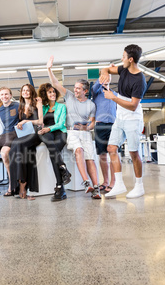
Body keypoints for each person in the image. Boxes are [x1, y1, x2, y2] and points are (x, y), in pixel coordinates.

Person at [47, 56, 101, 199]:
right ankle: (85, 182)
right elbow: (55, 83)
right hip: (71, 132)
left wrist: (87, 127)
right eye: (75, 88)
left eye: (78, 89)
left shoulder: (91, 105)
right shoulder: (69, 96)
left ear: (85, 91)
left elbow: (93, 123)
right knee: (79, 150)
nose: (75, 90)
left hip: (85, 133)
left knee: (90, 159)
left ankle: (96, 189)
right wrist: (49, 69)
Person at [99, 44, 147, 198]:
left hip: (133, 119)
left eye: (124, 57)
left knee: (133, 153)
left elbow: (133, 106)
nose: (121, 59)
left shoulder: (140, 80)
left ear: (131, 59)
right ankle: (119, 184)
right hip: (120, 118)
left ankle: (139, 186)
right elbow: (105, 68)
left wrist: (113, 97)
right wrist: (104, 73)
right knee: (112, 148)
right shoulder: (124, 69)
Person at [37, 83, 71, 201]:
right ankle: (63, 168)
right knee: (51, 147)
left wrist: (49, 128)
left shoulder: (61, 107)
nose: (52, 94)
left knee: (53, 154)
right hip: (46, 133)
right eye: (49, 92)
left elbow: (61, 123)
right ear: (45, 94)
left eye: (54, 92)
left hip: (59, 132)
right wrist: (40, 104)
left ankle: (60, 187)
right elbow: (40, 121)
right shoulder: (44, 108)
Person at [9, 84, 43, 200]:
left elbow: (40, 121)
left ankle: (23, 184)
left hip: (35, 134)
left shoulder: (37, 103)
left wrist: (25, 121)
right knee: (14, 147)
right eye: (23, 90)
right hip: (24, 134)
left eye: (28, 90)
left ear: (31, 92)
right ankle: (19, 182)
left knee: (19, 145)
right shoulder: (20, 106)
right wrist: (20, 125)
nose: (25, 92)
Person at [92, 75, 117, 193]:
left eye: (108, 78)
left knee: (113, 154)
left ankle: (113, 182)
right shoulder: (96, 93)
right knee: (102, 155)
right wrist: (102, 78)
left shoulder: (115, 94)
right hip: (100, 126)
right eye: (104, 78)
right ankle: (105, 181)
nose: (106, 79)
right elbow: (94, 87)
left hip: (113, 125)